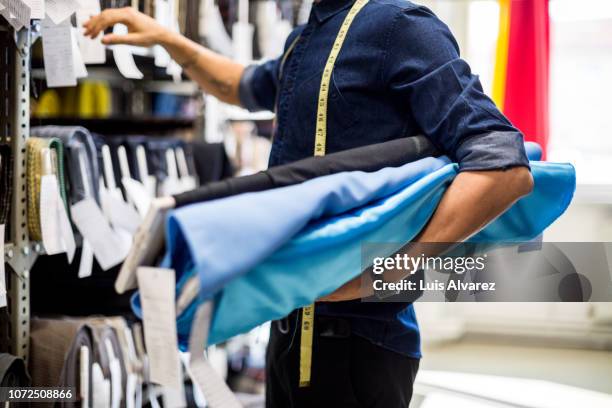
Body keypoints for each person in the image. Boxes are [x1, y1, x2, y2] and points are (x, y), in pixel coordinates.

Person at [84, 1, 534, 407]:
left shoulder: (400, 27)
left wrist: (389, 269)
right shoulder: (309, 35)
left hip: (358, 345)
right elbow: (240, 84)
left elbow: (501, 167)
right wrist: (167, 39)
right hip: (290, 331)